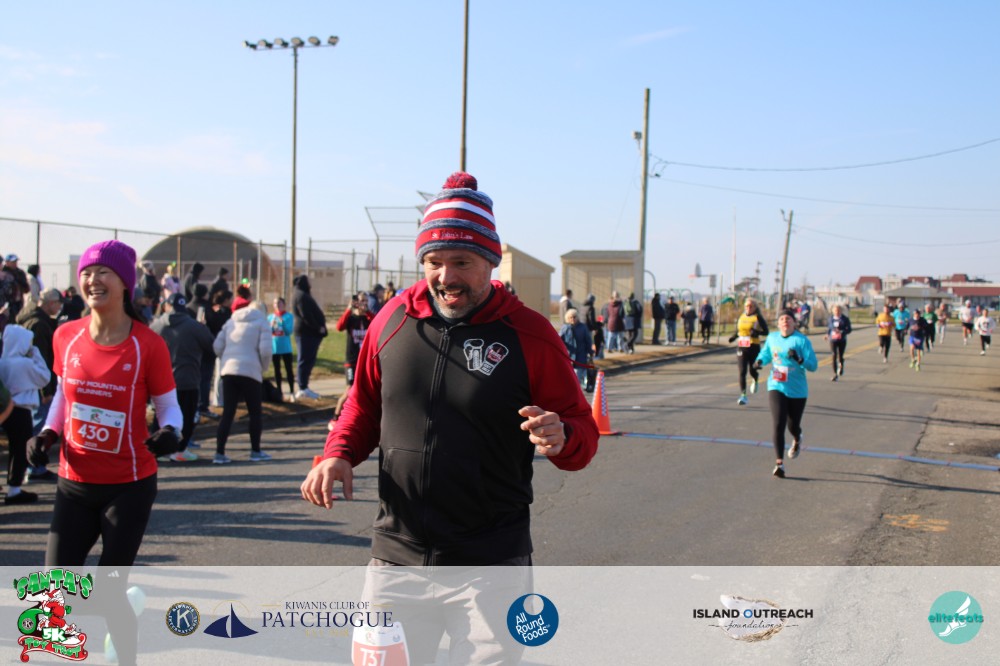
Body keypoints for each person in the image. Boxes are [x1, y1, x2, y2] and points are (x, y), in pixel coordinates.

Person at [301, 172, 598, 570]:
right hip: (395, 555)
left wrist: (564, 437)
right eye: (434, 262)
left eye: (462, 262)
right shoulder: (391, 320)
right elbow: (364, 406)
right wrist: (338, 454)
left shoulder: (531, 334)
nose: (446, 277)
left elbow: (582, 431)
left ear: (490, 262)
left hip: (492, 560)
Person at [26, 240, 182, 666]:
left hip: (127, 487)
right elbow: (64, 395)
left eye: (103, 272)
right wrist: (47, 434)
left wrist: (171, 432)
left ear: (125, 283)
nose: (92, 280)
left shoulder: (147, 344)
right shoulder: (66, 336)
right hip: (74, 483)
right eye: (87, 273)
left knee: (108, 590)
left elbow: (169, 407)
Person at [754, 309, 817, 478]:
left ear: (794, 322)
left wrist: (799, 359)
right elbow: (766, 353)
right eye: (782, 319)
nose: (785, 321)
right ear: (778, 323)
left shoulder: (801, 341)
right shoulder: (772, 338)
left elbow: (813, 365)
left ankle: (797, 438)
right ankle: (779, 464)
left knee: (792, 425)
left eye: (788, 319)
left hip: (797, 390)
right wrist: (759, 361)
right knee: (778, 423)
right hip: (777, 385)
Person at [151, 293, 215, 461]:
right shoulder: (194, 326)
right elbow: (211, 345)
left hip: (161, 380)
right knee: (186, 417)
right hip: (188, 378)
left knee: (160, 415)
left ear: (168, 306)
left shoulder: (156, 326)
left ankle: (156, 450)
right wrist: (204, 328)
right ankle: (179, 450)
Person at [212, 286, 273, 463]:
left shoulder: (231, 321)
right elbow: (266, 351)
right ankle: (255, 450)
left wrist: (226, 359)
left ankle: (219, 452)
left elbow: (217, 346)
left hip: (229, 371)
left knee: (228, 412)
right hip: (250, 371)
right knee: (254, 412)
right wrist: (262, 368)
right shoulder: (262, 323)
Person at [0, 324, 50, 504]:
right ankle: (14, 489)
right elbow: (44, 377)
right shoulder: (24, 363)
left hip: (4, 407)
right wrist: (35, 352)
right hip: (21, 409)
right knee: (19, 449)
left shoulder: (3, 361)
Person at [16, 287, 62, 480]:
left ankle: (34, 467)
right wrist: (46, 390)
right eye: (58, 303)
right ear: (51, 303)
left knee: (35, 423)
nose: (59, 308)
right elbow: (41, 359)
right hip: (39, 384)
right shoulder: (39, 325)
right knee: (39, 425)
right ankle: (35, 467)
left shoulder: (30, 319)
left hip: (29, 382)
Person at [332, 291, 373, 421]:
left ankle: (359, 416)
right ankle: (336, 417)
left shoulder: (368, 319)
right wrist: (349, 309)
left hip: (365, 361)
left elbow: (378, 323)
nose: (363, 303)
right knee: (350, 389)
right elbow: (339, 327)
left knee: (365, 389)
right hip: (352, 361)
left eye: (366, 301)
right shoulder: (351, 319)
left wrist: (367, 312)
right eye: (361, 300)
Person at [292, 275, 327, 400]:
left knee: (308, 359)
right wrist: (317, 327)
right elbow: (305, 315)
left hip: (310, 334)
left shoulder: (303, 295)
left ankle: (304, 385)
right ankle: (302, 387)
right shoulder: (300, 296)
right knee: (304, 359)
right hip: (305, 333)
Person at [729, 298, 769, 405]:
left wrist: (756, 332)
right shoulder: (742, 316)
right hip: (742, 346)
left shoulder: (757, 317)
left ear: (755, 307)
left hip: (753, 346)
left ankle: (755, 378)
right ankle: (743, 395)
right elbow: (739, 330)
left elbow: (766, 332)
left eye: (751, 306)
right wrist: (733, 337)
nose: (748, 308)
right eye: (747, 306)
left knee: (752, 370)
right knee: (742, 371)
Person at [268, 296, 296, 399]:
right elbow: (268, 332)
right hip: (275, 348)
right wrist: (271, 326)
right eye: (275, 303)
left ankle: (292, 391)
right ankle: (279, 392)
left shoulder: (289, 316)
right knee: (277, 370)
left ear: (284, 304)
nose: (277, 305)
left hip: (286, 348)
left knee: (289, 370)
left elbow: (288, 331)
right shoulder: (270, 317)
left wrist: (282, 322)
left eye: (279, 303)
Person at [560, 308, 592, 390]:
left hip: (581, 354)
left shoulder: (583, 327)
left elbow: (588, 340)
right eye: (570, 317)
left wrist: (590, 352)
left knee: (578, 375)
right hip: (569, 355)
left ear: (577, 317)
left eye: (574, 317)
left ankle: (578, 390)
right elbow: (559, 340)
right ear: (567, 318)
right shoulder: (565, 328)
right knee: (570, 376)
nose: (572, 319)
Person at [824, 304, 853, 380]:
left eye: (838, 310)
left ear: (841, 311)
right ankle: (834, 374)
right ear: (832, 311)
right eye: (835, 310)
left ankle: (841, 366)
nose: (836, 312)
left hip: (842, 340)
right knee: (834, 355)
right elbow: (829, 328)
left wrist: (842, 332)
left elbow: (849, 329)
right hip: (833, 340)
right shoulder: (830, 319)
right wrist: (827, 335)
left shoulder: (845, 319)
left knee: (840, 356)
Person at [2, 253, 29, 319]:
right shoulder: (3, 273)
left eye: (15, 262)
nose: (14, 263)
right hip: (5, 302)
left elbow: (26, 289)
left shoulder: (20, 273)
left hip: (18, 302)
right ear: (7, 262)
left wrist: (21, 283)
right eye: (12, 262)